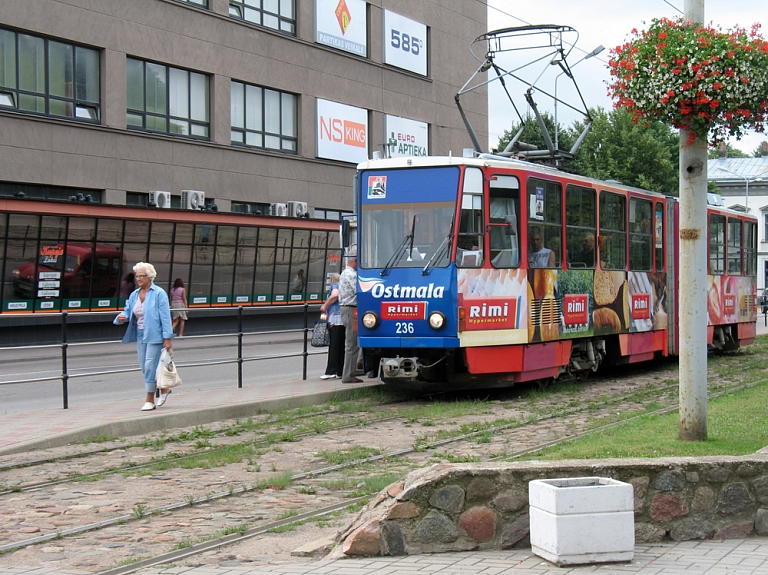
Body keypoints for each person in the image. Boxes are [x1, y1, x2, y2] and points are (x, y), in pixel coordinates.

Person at [114, 262, 174, 411]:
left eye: (142, 276)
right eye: (137, 276)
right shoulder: (134, 294)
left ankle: (149, 400)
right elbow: (128, 311)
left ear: (150, 277)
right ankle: (164, 389)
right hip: (140, 334)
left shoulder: (159, 293)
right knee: (144, 366)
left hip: (155, 334)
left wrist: (167, 338)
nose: (138, 279)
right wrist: (121, 317)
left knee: (149, 366)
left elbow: (165, 316)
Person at [339, 251, 362, 384]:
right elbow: (359, 290)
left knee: (352, 343)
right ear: (354, 261)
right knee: (352, 344)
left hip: (349, 309)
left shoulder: (345, 273)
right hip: (351, 310)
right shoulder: (351, 275)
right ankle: (348, 375)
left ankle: (351, 371)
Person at [319, 273, 344, 380]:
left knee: (334, 346)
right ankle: (340, 371)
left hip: (335, 319)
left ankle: (331, 371)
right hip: (343, 319)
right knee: (341, 346)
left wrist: (325, 305)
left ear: (333, 280)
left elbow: (335, 295)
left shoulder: (335, 286)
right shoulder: (343, 286)